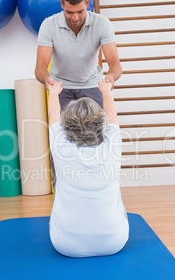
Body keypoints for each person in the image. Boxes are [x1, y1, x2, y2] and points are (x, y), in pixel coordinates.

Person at [47, 78, 129, 258]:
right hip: (114, 243)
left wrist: (53, 92)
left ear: (66, 125)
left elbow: (53, 116)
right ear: (101, 123)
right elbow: (112, 115)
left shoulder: (61, 146)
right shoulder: (112, 146)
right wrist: (106, 90)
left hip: (65, 245)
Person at [35, 0, 122, 110]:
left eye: (80, 11)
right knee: (63, 129)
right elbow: (40, 66)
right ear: (61, 4)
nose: (75, 18)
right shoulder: (49, 25)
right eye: (69, 12)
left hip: (92, 84)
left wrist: (111, 77)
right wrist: (47, 79)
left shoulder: (102, 23)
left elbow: (115, 63)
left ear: (87, 3)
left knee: (95, 129)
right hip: (61, 86)